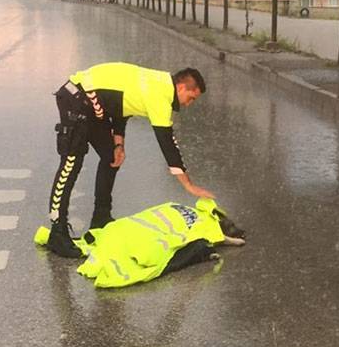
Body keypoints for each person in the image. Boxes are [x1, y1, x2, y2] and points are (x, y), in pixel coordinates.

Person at [45, 62, 215, 258]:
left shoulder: (157, 84)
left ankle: (100, 217)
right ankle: (57, 233)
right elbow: (167, 143)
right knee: (71, 164)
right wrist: (189, 186)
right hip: (75, 97)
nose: (188, 104)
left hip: (93, 106)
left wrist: (119, 144)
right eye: (190, 98)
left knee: (112, 157)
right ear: (181, 87)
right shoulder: (160, 94)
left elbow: (121, 109)